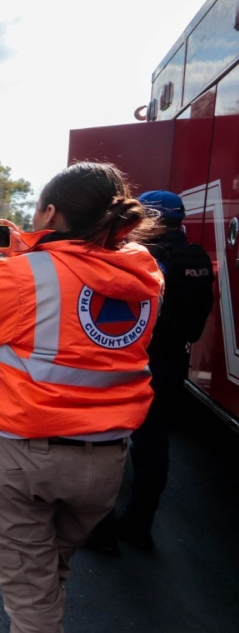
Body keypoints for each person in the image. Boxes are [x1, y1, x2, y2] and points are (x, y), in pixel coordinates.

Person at [0, 162, 162, 633]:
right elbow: (74, 293)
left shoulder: (24, 275)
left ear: (50, 213)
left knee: (32, 602)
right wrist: (36, 252)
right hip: (106, 464)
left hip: (27, 459)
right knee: (48, 572)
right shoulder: (145, 272)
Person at [88, 190, 215, 553]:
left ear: (153, 220)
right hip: (173, 360)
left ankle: (100, 528)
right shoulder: (196, 257)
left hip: (134, 360)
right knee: (154, 443)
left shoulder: (146, 258)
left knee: (107, 441)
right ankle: (140, 526)